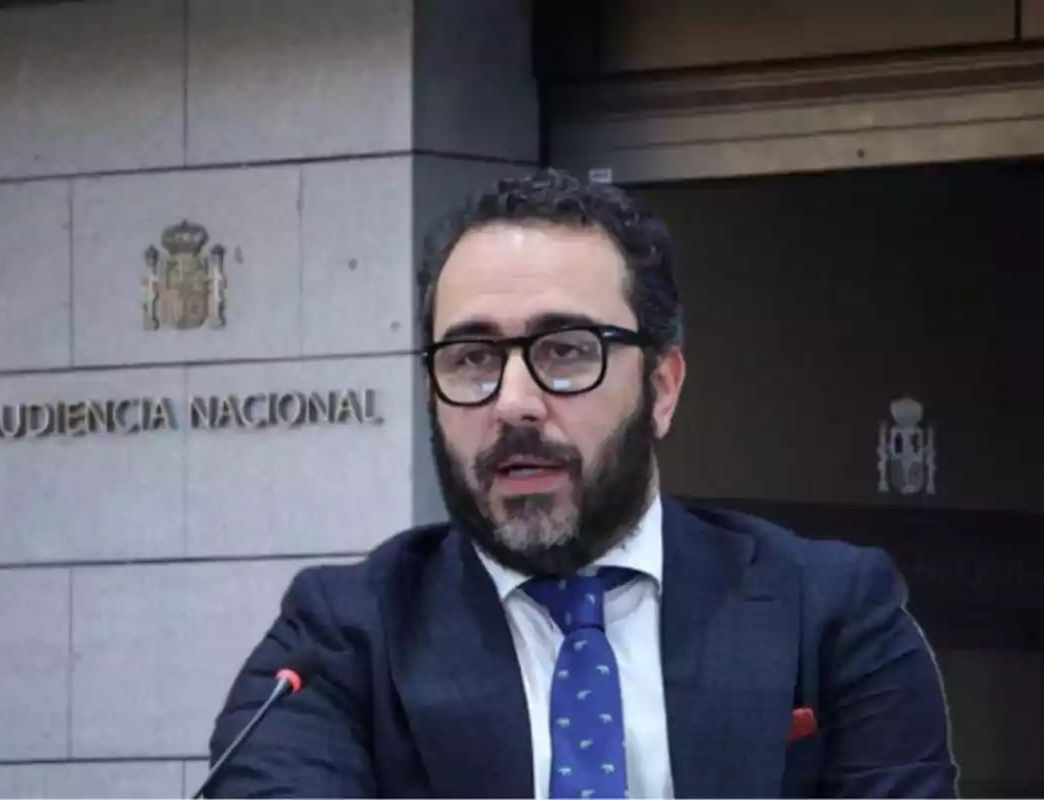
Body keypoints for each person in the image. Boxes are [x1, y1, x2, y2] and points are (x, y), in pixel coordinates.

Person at [206, 169, 957, 798]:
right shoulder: (335, 641)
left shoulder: (831, 616)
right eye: (471, 358)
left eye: (566, 351)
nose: (513, 402)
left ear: (662, 387)